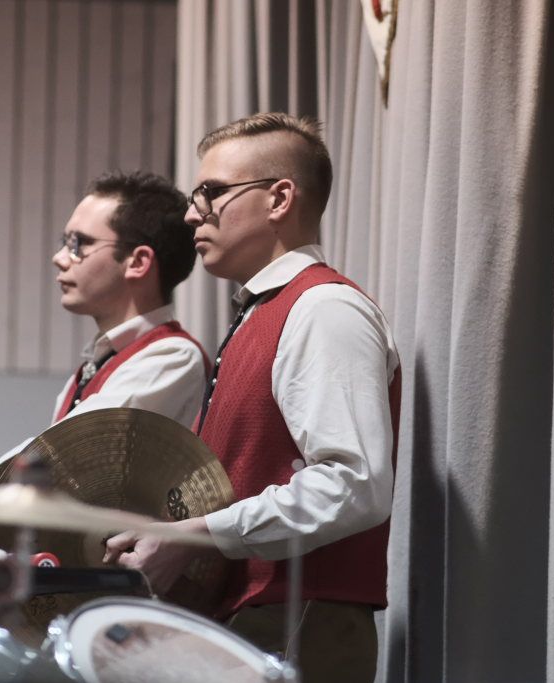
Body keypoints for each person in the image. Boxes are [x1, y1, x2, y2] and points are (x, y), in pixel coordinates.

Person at [103, 113, 401, 683]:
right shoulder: (266, 312)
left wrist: (196, 536)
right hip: (256, 620)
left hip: (295, 622)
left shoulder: (323, 308)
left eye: (212, 192)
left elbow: (355, 484)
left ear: (279, 199)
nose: (192, 213)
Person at [0, 170, 208, 557]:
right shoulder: (99, 364)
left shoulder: (171, 357)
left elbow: (56, 456)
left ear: (138, 262)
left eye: (79, 244)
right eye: (65, 242)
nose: (59, 258)